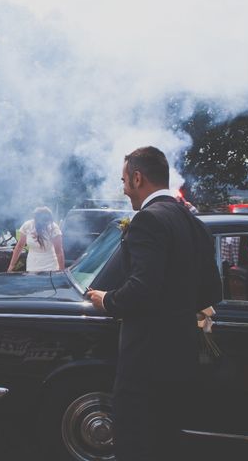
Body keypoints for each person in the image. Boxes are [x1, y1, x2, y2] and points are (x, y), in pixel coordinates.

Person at [87, 146, 222, 460]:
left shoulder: (148, 220)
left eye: (124, 181)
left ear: (137, 178)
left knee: (135, 442)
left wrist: (107, 300)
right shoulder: (191, 220)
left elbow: (141, 289)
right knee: (167, 442)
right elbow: (211, 292)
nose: (123, 190)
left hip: (145, 362)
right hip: (182, 357)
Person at [7, 206, 64, 272]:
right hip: (32, 265)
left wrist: (61, 271)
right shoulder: (27, 226)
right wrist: (11, 266)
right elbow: (19, 246)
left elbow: (59, 252)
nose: (46, 223)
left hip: (51, 266)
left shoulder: (54, 228)